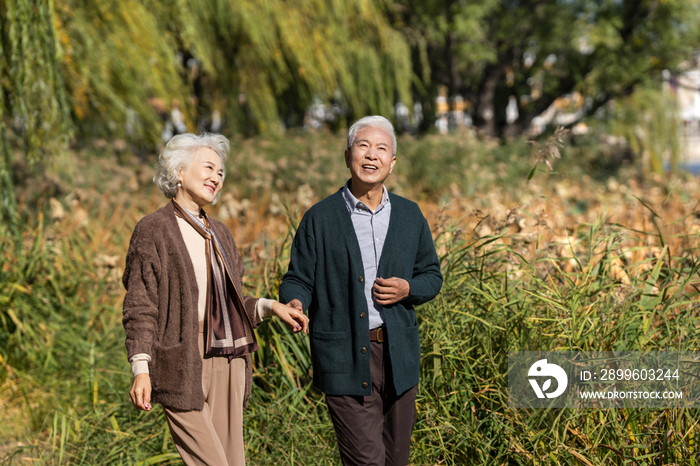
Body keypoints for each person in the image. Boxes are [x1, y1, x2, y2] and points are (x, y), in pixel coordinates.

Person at [122, 132, 308, 466]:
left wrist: (272, 307)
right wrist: (141, 368)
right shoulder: (154, 230)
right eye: (209, 168)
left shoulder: (221, 233)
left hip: (230, 357)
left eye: (221, 173)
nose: (217, 178)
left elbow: (232, 304)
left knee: (233, 460)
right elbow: (140, 304)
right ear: (179, 172)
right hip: (180, 357)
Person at [279, 115, 442, 466]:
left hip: (399, 356)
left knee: (396, 460)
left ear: (392, 162)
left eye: (381, 148)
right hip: (344, 355)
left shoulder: (410, 216)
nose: (372, 155)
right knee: (366, 461)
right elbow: (298, 278)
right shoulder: (319, 218)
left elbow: (432, 276)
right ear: (347, 156)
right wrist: (295, 301)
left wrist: (408, 288)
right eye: (363, 146)